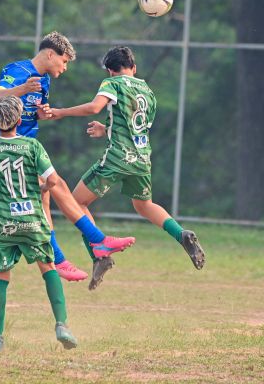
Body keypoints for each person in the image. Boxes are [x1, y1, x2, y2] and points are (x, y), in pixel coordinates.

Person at [0, 96, 135, 353]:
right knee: (49, 269)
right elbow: (54, 180)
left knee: (1, 276)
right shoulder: (32, 146)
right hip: (33, 220)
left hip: (4, 222)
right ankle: (62, 325)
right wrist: (44, 187)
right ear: (18, 119)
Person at [50, 46, 206, 290]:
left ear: (111, 71)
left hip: (117, 157)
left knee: (75, 202)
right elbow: (137, 127)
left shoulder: (112, 83)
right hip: (141, 158)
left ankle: (99, 255)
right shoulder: (148, 91)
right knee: (143, 205)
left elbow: (94, 107)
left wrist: (61, 112)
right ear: (134, 68)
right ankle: (181, 233)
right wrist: (107, 130)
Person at [0, 31, 87, 282]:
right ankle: (90, 244)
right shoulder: (17, 70)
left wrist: (44, 112)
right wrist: (21, 88)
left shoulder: (45, 80)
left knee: (44, 198)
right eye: (63, 61)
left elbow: (36, 112)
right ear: (50, 54)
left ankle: (60, 258)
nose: (64, 68)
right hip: (7, 147)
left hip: (28, 147)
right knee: (54, 188)